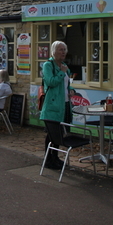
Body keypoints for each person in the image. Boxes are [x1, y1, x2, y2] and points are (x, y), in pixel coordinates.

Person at [39, 41, 73, 170]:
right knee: (52, 134)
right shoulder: (48, 65)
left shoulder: (64, 66)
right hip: (53, 105)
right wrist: (60, 72)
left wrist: (71, 89)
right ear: (54, 51)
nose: (63, 52)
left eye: (64, 49)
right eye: (60, 49)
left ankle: (55, 157)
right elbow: (51, 82)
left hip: (64, 104)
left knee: (59, 134)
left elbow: (66, 83)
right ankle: (48, 159)